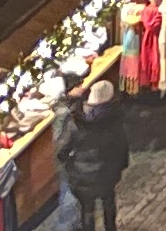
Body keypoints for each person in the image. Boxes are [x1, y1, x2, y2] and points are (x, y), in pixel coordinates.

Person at [53, 81, 131, 231]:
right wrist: (121, 166)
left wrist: (68, 164)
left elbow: (62, 149)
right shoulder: (115, 119)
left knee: (87, 209)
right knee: (108, 202)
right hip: (108, 172)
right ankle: (110, 228)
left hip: (83, 175)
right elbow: (122, 145)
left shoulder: (75, 121)